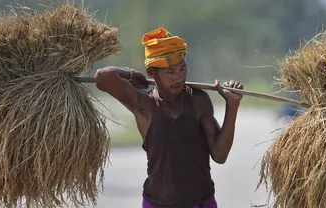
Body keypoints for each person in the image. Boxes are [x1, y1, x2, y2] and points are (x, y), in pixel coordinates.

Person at [94, 27, 244, 208]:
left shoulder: (198, 101)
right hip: (157, 203)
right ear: (152, 73)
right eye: (170, 72)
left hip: (201, 202)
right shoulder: (144, 105)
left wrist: (232, 105)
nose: (179, 77)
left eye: (182, 68)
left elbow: (220, 155)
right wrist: (132, 74)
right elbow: (102, 77)